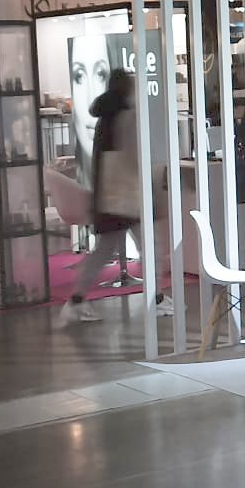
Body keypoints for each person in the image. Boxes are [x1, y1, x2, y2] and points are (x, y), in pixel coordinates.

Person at [65, 69, 173, 323]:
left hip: (109, 195)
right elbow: (135, 158)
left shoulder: (105, 117)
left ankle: (76, 301)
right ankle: (156, 299)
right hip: (129, 195)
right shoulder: (127, 116)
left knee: (104, 251)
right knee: (151, 247)